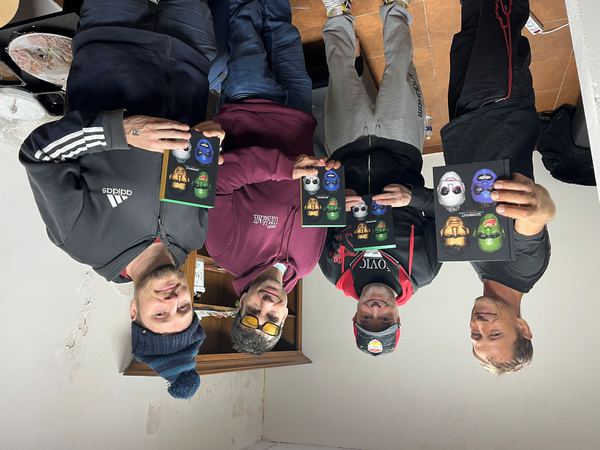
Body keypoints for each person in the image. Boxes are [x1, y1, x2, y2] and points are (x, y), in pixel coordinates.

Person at [19, 0, 219, 398]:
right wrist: (211, 140)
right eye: (184, 309)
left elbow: (39, 155)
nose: (173, 301)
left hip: (110, 40)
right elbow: (194, 159)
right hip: (189, 54)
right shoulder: (194, 238)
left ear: (134, 312)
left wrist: (120, 132)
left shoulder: (82, 240)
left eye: (160, 315)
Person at [205, 0, 339, 355]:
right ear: (284, 316)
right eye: (272, 319)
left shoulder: (226, 251)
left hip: (250, 104)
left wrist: (282, 168)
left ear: (241, 303)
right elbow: (315, 198)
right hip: (298, 113)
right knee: (282, 28)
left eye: (252, 313)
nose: (266, 306)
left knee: (245, 19)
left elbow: (218, 180)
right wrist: (331, 180)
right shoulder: (307, 265)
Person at [318, 0, 441, 356]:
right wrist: (412, 197)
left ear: (355, 316)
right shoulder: (423, 271)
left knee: (339, 69)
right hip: (402, 145)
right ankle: (395, 7)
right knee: (399, 64)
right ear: (397, 317)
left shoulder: (335, 272)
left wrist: (333, 202)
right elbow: (449, 212)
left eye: (366, 319)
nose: (375, 310)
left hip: (345, 147)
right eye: (384, 319)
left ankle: (337, 11)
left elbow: (313, 217)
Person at [441, 0, 556, 374]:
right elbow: (534, 220)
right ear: (524, 328)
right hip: (499, 105)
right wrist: (539, 205)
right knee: (500, 9)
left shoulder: (482, 270)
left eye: (476, 336)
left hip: (466, 119)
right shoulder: (524, 268)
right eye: (494, 334)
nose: (480, 325)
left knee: (474, 17)